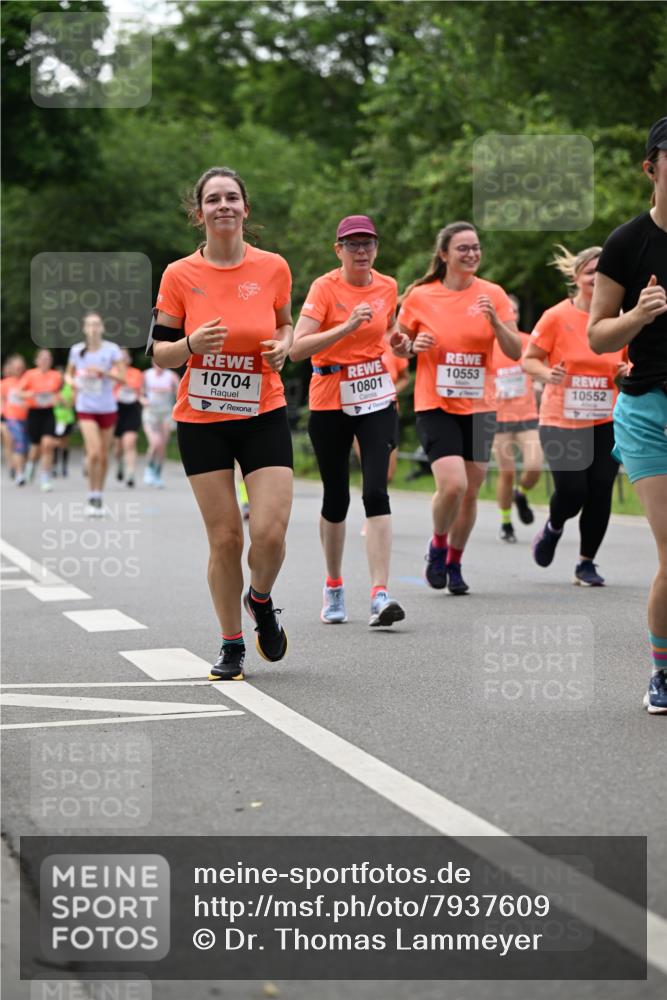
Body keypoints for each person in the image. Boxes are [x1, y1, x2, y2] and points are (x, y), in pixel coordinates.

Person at [149, 165, 293, 682]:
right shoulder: (179, 275)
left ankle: (260, 598)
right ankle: (231, 643)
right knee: (227, 538)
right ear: (200, 213)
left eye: (232, 197)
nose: (224, 206)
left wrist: (285, 345)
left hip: (263, 413)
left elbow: (283, 323)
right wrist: (190, 346)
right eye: (213, 200)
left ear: (246, 209)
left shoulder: (274, 267)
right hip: (203, 419)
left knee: (271, 533)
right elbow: (158, 353)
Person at [291, 214, 407, 627]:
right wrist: (344, 327)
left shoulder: (388, 285)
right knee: (336, 497)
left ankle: (380, 594)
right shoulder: (325, 288)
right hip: (329, 397)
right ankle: (334, 584)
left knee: (376, 491)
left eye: (368, 244)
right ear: (338, 250)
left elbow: (388, 330)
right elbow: (296, 349)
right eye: (352, 245)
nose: (361, 251)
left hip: (375, 393)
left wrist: (400, 342)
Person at [588, 116, 667, 714]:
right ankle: (661, 670)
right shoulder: (627, 242)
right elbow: (596, 335)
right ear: (651, 167)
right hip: (647, 411)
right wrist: (637, 318)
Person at [397, 221, 521, 594]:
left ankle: (454, 562)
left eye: (476, 247)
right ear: (444, 254)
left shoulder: (493, 294)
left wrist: (496, 322)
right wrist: (411, 347)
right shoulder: (421, 296)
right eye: (463, 248)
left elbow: (515, 351)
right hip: (435, 403)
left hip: (479, 406)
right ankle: (438, 544)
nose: (472, 254)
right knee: (453, 485)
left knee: (470, 491)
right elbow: (397, 343)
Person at [524, 245, 628, 585]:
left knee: (600, 487)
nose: (597, 280)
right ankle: (553, 527)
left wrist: (626, 372)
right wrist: (545, 374)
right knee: (572, 491)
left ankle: (586, 563)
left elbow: (630, 361)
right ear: (576, 277)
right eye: (590, 273)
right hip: (561, 420)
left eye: (604, 272)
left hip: (605, 419)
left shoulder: (620, 318)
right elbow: (530, 358)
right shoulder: (556, 316)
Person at [491, 294, 543, 542]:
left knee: (534, 467)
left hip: (526, 413)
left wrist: (542, 381)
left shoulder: (527, 342)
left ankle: (520, 494)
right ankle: (505, 522)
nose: (510, 314)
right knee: (507, 471)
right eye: (506, 310)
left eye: (514, 311)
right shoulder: (486, 344)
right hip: (498, 418)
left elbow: (544, 364)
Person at [65, 311, 125, 516]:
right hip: (86, 407)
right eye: (89, 324)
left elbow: (123, 377)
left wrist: (104, 373)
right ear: (84, 328)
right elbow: (68, 374)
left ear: (102, 328)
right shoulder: (77, 350)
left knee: (104, 456)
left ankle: (99, 495)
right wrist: (72, 383)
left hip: (107, 407)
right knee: (94, 453)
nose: (93, 328)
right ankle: (91, 495)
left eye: (97, 324)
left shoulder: (112, 350)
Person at [17, 349, 63, 492]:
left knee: (47, 444)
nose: (45, 361)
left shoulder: (56, 376)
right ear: (36, 361)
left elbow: (59, 393)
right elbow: (18, 392)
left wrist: (58, 398)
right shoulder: (30, 375)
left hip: (49, 413)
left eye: (48, 358)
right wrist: (29, 394)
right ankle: (30, 465)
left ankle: (45, 477)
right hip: (34, 413)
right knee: (35, 446)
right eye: (42, 358)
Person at [141, 358, 179, 488]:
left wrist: (171, 391)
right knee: (155, 443)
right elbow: (139, 393)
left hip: (166, 414)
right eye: (156, 363)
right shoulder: (146, 375)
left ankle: (157, 474)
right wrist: (143, 400)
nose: (158, 366)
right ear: (152, 362)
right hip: (150, 413)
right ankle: (148, 469)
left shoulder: (172, 376)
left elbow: (180, 393)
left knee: (162, 446)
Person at [113, 349, 143, 488]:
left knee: (129, 443)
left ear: (130, 359)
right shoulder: (112, 371)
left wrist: (143, 399)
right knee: (118, 447)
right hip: (115, 409)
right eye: (121, 357)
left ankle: (130, 473)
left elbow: (140, 391)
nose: (123, 359)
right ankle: (119, 463)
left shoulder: (136, 373)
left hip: (132, 409)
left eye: (125, 357)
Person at [1, 355, 28, 485]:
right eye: (16, 366)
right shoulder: (5, 383)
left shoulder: (27, 381)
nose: (18, 368)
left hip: (27, 417)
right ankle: (18, 472)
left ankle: (21, 468)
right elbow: (1, 400)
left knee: (26, 446)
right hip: (11, 417)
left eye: (20, 366)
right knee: (17, 443)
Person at [52, 370, 76, 478]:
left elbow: (72, 403)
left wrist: (63, 401)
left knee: (64, 443)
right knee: (55, 443)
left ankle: (64, 465)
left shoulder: (69, 388)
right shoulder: (52, 387)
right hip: (55, 418)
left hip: (67, 419)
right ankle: (54, 465)